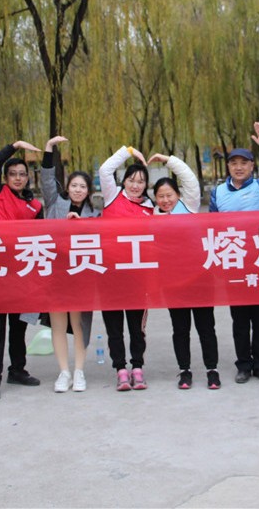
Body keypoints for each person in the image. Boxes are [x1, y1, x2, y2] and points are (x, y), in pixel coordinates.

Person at [209, 122, 259, 384]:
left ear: (252, 166)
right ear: (228, 167)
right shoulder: (218, 193)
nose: (239, 167)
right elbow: (212, 229)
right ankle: (243, 364)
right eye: (234, 163)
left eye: (244, 163)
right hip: (234, 265)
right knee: (239, 320)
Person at [150, 152, 221, 390]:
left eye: (169, 195)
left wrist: (168, 159)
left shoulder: (188, 206)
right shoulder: (152, 217)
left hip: (200, 278)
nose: (165, 200)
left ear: (178, 195)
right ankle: (184, 371)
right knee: (180, 329)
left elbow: (189, 178)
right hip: (173, 282)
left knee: (206, 327)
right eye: (161, 196)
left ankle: (212, 370)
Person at [0, 140, 45, 401]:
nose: (18, 178)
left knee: (19, 328)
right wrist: (14, 146)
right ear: (5, 178)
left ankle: (17, 370)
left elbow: (41, 238)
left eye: (22, 174)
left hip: (21, 274)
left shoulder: (35, 206)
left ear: (28, 177)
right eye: (13, 174)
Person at [39, 136, 98, 392]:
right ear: (68, 187)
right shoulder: (55, 203)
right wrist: (49, 149)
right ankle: (64, 372)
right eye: (74, 185)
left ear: (88, 191)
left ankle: (79, 372)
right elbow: (47, 179)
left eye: (82, 186)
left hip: (81, 275)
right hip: (56, 273)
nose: (77, 190)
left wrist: (81, 225)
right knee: (58, 325)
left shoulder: (94, 214)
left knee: (79, 325)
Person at [99, 145, 155, 391]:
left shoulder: (150, 208)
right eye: (131, 180)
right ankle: (120, 370)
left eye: (141, 181)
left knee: (136, 328)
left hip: (138, 278)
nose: (135, 185)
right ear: (124, 181)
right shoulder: (112, 196)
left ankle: (137, 368)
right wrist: (129, 151)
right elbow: (105, 169)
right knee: (114, 327)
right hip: (110, 276)